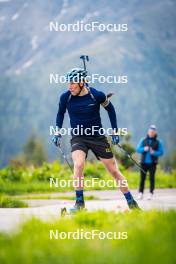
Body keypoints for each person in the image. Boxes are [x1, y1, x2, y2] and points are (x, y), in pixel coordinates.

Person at [52, 68, 139, 211]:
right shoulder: (65, 97)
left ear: (81, 83)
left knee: (114, 171)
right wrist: (57, 132)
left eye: (73, 83)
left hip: (98, 137)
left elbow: (110, 109)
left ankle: (131, 202)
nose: (69, 86)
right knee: (78, 165)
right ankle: (79, 203)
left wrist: (115, 131)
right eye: (69, 82)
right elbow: (60, 114)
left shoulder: (96, 95)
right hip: (78, 137)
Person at [136, 125, 164, 200]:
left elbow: (161, 152)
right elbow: (138, 149)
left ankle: (151, 193)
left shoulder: (158, 142)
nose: (151, 133)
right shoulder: (143, 140)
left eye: (153, 132)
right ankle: (140, 193)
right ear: (148, 132)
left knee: (152, 178)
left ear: (155, 133)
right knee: (142, 178)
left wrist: (154, 152)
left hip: (153, 163)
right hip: (143, 163)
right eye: (150, 132)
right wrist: (144, 149)